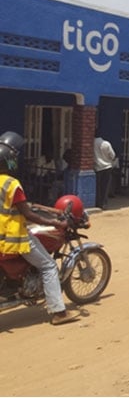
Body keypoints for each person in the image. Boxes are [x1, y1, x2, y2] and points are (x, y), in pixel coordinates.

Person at [0, 131, 78, 325]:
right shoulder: (12, 184)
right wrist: (55, 223)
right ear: (11, 162)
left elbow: (18, 206)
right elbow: (28, 215)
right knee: (49, 266)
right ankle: (59, 313)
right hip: (14, 238)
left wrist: (35, 206)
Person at [93, 131, 115, 209]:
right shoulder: (106, 144)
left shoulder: (92, 144)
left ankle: (97, 203)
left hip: (97, 168)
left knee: (97, 187)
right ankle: (104, 203)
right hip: (107, 167)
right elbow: (112, 155)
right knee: (105, 187)